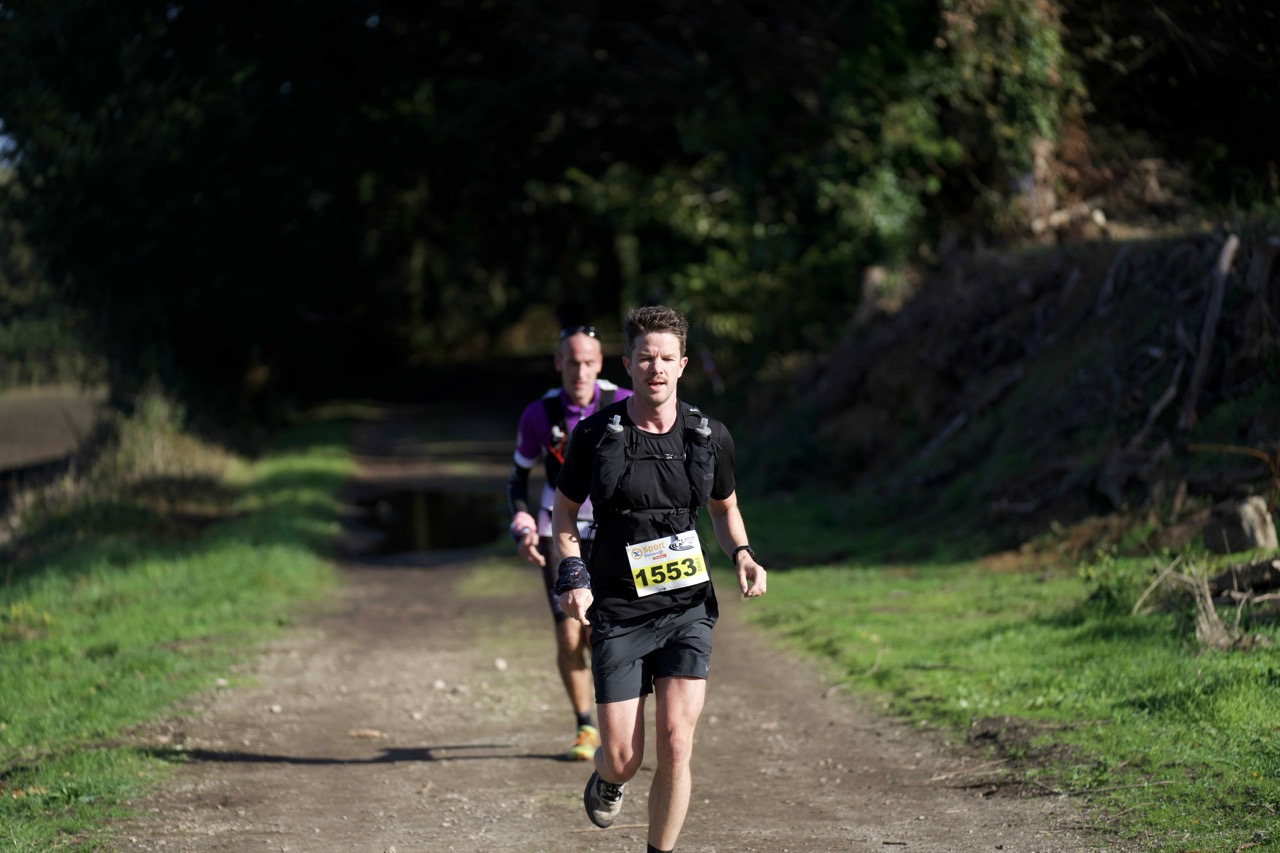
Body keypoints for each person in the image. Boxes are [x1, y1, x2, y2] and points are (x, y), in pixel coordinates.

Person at [551, 305, 767, 853]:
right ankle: (608, 777)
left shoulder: (708, 436)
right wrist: (573, 573)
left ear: (683, 363)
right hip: (619, 607)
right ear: (627, 364)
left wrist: (742, 553)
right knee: (624, 758)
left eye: (668, 358)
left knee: (677, 743)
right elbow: (564, 512)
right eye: (646, 358)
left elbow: (724, 508)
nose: (657, 368)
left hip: (685, 605)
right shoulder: (595, 435)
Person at [507, 323, 632, 761]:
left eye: (588, 362)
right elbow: (518, 478)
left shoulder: (623, 403)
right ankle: (585, 726)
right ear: (559, 362)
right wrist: (522, 523)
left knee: (603, 633)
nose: (580, 371)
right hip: (557, 532)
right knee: (568, 635)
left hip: (613, 533)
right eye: (572, 362)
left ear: (600, 364)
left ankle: (621, 725)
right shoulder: (539, 414)